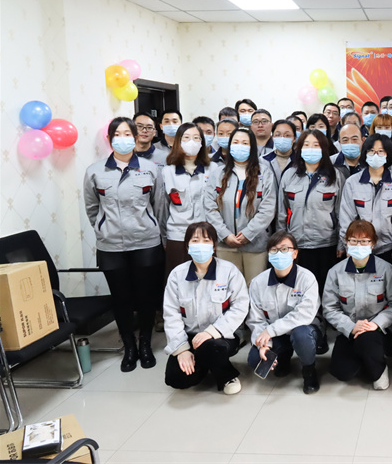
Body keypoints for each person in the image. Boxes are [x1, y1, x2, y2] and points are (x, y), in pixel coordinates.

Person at [83, 117, 165, 372]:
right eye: (117, 134)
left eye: (127, 133)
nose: (123, 138)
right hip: (111, 246)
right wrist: (103, 227)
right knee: (121, 299)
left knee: (146, 297)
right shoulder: (95, 171)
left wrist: (152, 228)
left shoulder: (150, 169)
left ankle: (145, 344)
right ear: (110, 139)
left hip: (146, 242)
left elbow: (159, 205)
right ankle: (129, 347)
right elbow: (92, 208)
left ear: (135, 137)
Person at [163, 221, 249, 394]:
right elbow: (171, 314)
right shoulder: (177, 275)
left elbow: (240, 307)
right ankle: (204, 363)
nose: (200, 245)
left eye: (206, 240)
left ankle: (227, 376)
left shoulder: (229, 271)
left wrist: (211, 332)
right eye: (195, 241)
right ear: (187, 246)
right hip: (190, 337)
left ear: (214, 246)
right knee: (176, 378)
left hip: (223, 336)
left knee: (211, 347)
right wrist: (182, 349)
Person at [323, 220, 392, 389]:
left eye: (364, 241)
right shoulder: (335, 272)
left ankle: (379, 369)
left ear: (373, 244)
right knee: (342, 372)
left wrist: (375, 324)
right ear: (346, 242)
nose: (358, 245)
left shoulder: (386, 270)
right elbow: (329, 308)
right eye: (353, 241)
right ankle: (367, 358)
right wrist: (351, 327)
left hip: (376, 330)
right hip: (349, 329)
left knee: (367, 340)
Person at [247, 231, 322, 394]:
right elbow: (255, 319)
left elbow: (304, 314)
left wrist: (271, 330)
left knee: (301, 334)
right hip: (275, 335)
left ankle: (309, 370)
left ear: (295, 253)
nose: (279, 254)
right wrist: (264, 344)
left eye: (284, 249)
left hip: (305, 330)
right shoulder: (258, 282)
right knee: (255, 359)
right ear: (268, 255)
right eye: (274, 250)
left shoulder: (307, 278)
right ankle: (283, 358)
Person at [204, 128, 277, 285]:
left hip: (256, 245)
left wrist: (248, 234)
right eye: (236, 142)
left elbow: (268, 209)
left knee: (255, 287)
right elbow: (210, 207)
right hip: (225, 244)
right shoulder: (218, 173)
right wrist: (225, 234)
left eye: (245, 143)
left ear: (252, 147)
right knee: (228, 287)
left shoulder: (265, 173)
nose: (240, 146)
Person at [277, 130, 343, 291]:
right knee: (299, 288)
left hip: (326, 243)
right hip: (297, 243)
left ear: (324, 149)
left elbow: (341, 213)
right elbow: (281, 213)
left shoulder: (335, 175)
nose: (311, 149)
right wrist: (282, 243)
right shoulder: (289, 175)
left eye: (316, 145)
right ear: (299, 148)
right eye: (306, 145)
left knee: (325, 288)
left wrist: (342, 243)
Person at [338, 134, 392, 266]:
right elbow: (345, 218)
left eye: (380, 151)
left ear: (387, 154)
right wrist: (348, 246)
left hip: (389, 247)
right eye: (371, 151)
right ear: (365, 154)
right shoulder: (352, 182)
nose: (375, 155)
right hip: (360, 247)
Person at [161, 123, 212, 279]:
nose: (192, 142)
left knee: (207, 279)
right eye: (187, 138)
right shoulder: (167, 171)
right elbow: (162, 208)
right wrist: (164, 237)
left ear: (202, 143)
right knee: (178, 279)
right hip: (178, 235)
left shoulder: (214, 169)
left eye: (196, 138)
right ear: (178, 142)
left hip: (207, 235)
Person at [262, 119, 296, 186]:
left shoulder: (300, 160)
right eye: (278, 135)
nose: (282, 138)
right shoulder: (263, 160)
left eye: (287, 135)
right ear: (273, 137)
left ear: (294, 138)